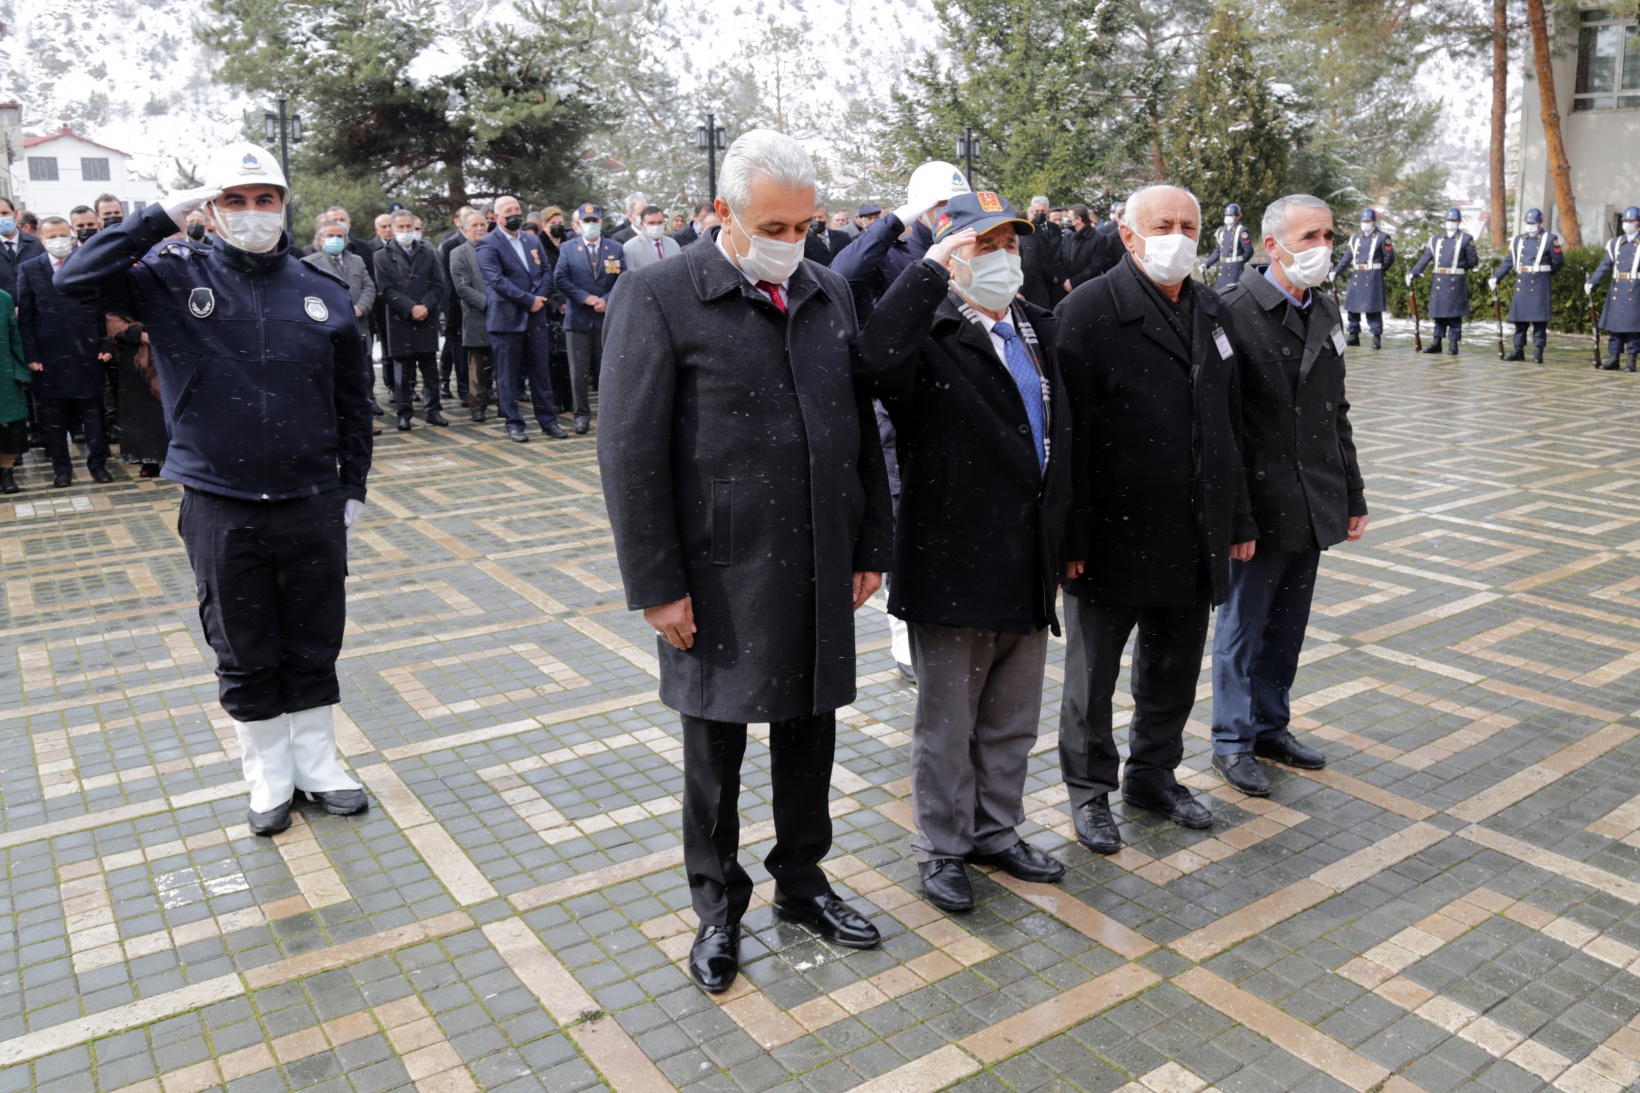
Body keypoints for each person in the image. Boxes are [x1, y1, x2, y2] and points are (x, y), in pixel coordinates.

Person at [599, 129, 893, 995]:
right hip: (718, 570)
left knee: (811, 729)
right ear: (722, 213)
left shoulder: (828, 289)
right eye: (774, 224)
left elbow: (859, 427)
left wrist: (869, 543)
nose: (792, 241)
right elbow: (628, 450)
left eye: (806, 225)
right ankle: (718, 904)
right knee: (716, 748)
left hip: (818, 558)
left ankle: (802, 881)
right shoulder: (659, 295)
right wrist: (656, 585)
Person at [57, 141, 373, 836]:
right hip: (220, 499)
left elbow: (355, 401)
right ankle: (267, 773)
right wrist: (155, 219)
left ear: (285, 206)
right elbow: (75, 281)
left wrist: (353, 486)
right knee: (242, 636)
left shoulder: (321, 290)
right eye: (235, 200)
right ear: (211, 209)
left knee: (314, 635)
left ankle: (318, 763)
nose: (253, 213)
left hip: (311, 498)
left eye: (266, 200)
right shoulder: (171, 277)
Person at [856, 192, 1071, 911]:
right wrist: (926, 275)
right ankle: (942, 845)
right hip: (952, 560)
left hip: (1025, 558)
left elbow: (1056, 441)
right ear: (949, 256)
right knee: (947, 725)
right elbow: (872, 360)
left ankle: (995, 831)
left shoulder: (1035, 327)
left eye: (1013, 244)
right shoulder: (928, 332)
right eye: (986, 246)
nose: (1006, 259)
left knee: (1012, 717)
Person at [1055, 184, 1256, 852]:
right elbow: (1068, 436)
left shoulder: (1209, 308)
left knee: (1172, 668)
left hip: (1192, 530)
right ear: (1126, 232)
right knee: (1094, 678)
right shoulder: (1087, 311)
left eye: (1188, 224)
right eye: (1162, 224)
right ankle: (1090, 792)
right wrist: (1071, 535)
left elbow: (1230, 425)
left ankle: (1154, 775)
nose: (1177, 235)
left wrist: (1239, 517)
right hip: (1109, 535)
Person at [1213, 195, 1369, 796]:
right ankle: (1231, 739)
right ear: (1271, 244)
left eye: (1329, 235)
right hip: (1256, 504)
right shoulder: (1231, 310)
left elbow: (1337, 413)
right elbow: (1220, 427)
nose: (1323, 248)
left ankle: (1269, 725)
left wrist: (1352, 494)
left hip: (1313, 498)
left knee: (1287, 626)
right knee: (1242, 628)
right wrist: (1235, 515)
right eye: (1310, 236)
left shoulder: (1325, 309)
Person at [17, 218, 114, 487]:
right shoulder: (30, 269)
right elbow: (26, 317)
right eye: (53, 236)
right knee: (53, 419)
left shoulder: (86, 266)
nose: (59, 240)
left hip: (87, 353)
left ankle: (98, 465)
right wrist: (32, 355)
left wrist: (104, 344)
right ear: (41, 238)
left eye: (63, 234)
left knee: (93, 415)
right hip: (49, 358)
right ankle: (62, 470)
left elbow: (99, 309)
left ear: (71, 236)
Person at [831, 160, 971, 322]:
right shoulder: (893, 255)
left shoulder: (976, 247)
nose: (956, 213)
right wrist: (892, 224)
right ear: (921, 209)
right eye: (945, 205)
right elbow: (839, 280)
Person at [477, 194, 566, 441]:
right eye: (508, 211)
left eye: (517, 209)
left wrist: (541, 298)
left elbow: (547, 272)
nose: (514, 214)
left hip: (536, 317)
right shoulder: (487, 244)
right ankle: (514, 422)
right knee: (507, 373)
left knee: (540, 371)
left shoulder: (532, 240)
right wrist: (530, 300)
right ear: (496, 216)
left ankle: (548, 421)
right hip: (506, 319)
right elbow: (496, 280)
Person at [552, 202, 623, 435]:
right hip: (578, 319)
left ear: (601, 223)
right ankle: (581, 415)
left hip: (605, 318)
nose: (590, 225)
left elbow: (622, 279)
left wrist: (606, 299)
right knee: (578, 373)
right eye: (586, 221)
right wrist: (587, 298)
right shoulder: (568, 248)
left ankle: (609, 416)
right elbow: (560, 279)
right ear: (577, 225)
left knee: (608, 371)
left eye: (594, 221)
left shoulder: (615, 248)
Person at [374, 209, 447, 430]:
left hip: (426, 317)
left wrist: (424, 306)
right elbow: (385, 290)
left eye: (410, 227)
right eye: (401, 227)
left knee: (429, 369)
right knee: (403, 372)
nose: (406, 231)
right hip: (400, 319)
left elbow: (438, 285)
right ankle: (404, 414)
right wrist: (410, 307)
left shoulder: (429, 252)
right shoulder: (381, 256)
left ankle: (433, 411)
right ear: (393, 229)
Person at [303, 220, 376, 379]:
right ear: (321, 239)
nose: (335, 240)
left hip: (358, 326)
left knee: (363, 372)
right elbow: (309, 296)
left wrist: (360, 308)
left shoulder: (357, 260)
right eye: (330, 236)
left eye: (339, 236)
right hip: (329, 327)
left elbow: (369, 287)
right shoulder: (310, 263)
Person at [1490, 208, 1563, 364]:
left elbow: (1558, 262)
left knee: (1539, 322)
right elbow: (1509, 261)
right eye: (1528, 223)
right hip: (1522, 283)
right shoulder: (1517, 240)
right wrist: (1497, 277)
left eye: (1533, 223)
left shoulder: (1549, 239)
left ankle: (1538, 352)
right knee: (1520, 321)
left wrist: (1543, 274)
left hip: (1539, 283)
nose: (1530, 226)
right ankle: (1518, 350)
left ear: (1540, 223)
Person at [1406, 208, 1478, 356]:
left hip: (1456, 281)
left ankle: (1453, 344)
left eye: (1454, 221)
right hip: (1439, 280)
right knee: (1438, 315)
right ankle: (1436, 342)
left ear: (1458, 222)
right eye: (1448, 220)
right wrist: (1413, 272)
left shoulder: (1466, 239)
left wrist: (1457, 267)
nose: (1451, 223)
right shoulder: (1436, 239)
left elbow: (1472, 261)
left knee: (1454, 316)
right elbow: (1426, 258)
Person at [105, 312, 167, 476]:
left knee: (170, 407)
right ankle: (149, 459)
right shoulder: (121, 292)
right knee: (141, 412)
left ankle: (173, 457)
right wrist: (138, 333)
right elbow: (114, 322)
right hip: (134, 360)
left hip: (166, 350)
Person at [448, 211, 494, 421]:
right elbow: (462, 287)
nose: (479, 228)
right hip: (476, 315)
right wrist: (489, 303)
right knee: (476, 366)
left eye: (483, 224)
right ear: (464, 229)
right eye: (474, 225)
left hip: (502, 316)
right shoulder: (458, 253)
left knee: (502, 363)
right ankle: (477, 406)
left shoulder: (496, 248)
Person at [1330, 208, 1394, 349]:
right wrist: (1336, 271)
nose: (1365, 223)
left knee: (1373, 310)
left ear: (1374, 222)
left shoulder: (1383, 237)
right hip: (1357, 276)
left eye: (1368, 221)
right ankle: (1354, 335)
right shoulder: (1356, 237)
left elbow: (1389, 258)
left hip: (1373, 277)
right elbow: (1348, 257)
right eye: (1363, 221)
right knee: (1352, 308)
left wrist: (1378, 271)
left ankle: (1376, 337)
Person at [1586, 207, 1640, 372]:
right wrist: (1593, 282)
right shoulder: (1615, 243)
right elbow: (1605, 265)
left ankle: (1631, 359)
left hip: (1636, 288)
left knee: (1633, 328)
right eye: (1625, 221)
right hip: (1618, 287)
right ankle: (1614, 357)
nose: (1627, 224)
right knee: (1615, 327)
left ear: (1638, 223)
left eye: (1630, 221)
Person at [0, 278, 32, 493]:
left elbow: (14, 337)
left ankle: (6, 473)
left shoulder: (3, 298)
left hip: (4, 375)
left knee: (9, 429)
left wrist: (21, 371)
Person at [1058, 204, 1118, 294]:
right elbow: (1058, 259)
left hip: (1088, 288)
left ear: (1078, 219)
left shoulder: (1098, 238)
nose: (1066, 220)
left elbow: (1095, 266)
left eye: (1069, 217)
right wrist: (1064, 280)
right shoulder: (1068, 236)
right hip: (1066, 288)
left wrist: (1073, 282)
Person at [1017, 195, 1063, 309]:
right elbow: (1033, 259)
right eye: (1037, 211)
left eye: (1042, 211)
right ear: (1032, 211)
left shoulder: (1054, 228)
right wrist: (1050, 275)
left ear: (1047, 211)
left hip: (1057, 279)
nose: (1040, 213)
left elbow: (1060, 250)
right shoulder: (1029, 229)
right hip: (1039, 277)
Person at [1202, 203, 1254, 288]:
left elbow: (1249, 250)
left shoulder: (1241, 230)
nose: (1228, 217)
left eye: (1231, 215)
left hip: (1236, 269)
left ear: (1237, 217)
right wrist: (1207, 264)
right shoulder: (1221, 231)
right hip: (1223, 269)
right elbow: (1217, 251)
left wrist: (1239, 260)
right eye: (1227, 215)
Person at [0, 195, 45, 293]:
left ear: (15, 214)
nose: (1, 218)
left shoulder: (37, 244)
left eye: (5, 213)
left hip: (33, 306)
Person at [623, 204, 681, 270]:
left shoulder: (673, 244)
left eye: (660, 222)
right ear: (642, 224)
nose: (656, 226)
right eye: (651, 223)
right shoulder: (630, 248)